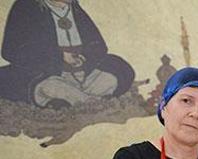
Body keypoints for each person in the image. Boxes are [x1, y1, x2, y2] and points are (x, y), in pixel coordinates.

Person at [0, 0, 135, 108]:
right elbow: (11, 50)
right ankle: (87, 100)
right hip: (46, 73)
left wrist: (85, 56)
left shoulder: (74, 8)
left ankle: (72, 98)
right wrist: (60, 56)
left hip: (83, 74)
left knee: (119, 67)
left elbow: (98, 45)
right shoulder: (25, 6)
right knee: (18, 80)